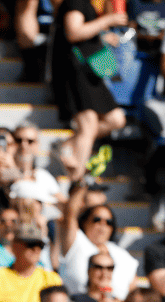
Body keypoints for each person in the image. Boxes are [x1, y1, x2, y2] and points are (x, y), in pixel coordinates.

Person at [52, 0, 127, 181]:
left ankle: (66, 145)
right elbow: (73, 32)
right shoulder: (76, 2)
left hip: (89, 71)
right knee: (89, 124)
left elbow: (83, 33)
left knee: (116, 119)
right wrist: (107, 20)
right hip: (75, 70)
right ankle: (77, 178)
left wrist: (102, 37)